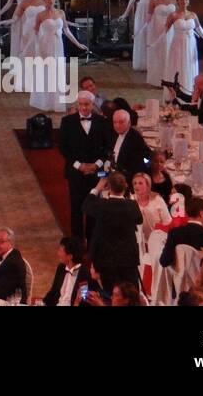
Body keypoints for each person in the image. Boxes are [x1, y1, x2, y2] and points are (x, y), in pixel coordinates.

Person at [59, 91, 111, 239]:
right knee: (76, 207)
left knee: (94, 206)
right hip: (75, 172)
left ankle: (91, 237)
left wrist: (96, 165)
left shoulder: (102, 122)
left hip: (97, 172)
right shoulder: (67, 121)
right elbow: (63, 147)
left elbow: (108, 146)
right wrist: (78, 165)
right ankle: (77, 239)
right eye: (80, 104)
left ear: (92, 104)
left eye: (86, 104)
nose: (83, 108)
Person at [80, 172, 143, 294]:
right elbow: (139, 219)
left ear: (108, 187)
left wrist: (97, 188)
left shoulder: (102, 205)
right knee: (129, 294)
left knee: (110, 294)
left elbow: (85, 206)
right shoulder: (131, 205)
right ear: (125, 186)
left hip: (106, 260)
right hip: (128, 259)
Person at [158, 196, 203, 268]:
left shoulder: (174, 233)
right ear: (201, 213)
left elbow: (164, 261)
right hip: (201, 278)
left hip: (179, 278)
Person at [40, 237, 90, 306]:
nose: (58, 253)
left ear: (70, 256)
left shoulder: (84, 274)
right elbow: (53, 291)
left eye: (60, 251)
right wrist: (42, 303)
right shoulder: (61, 268)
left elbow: (84, 299)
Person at [106, 107, 150, 178]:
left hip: (124, 176)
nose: (117, 126)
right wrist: (106, 170)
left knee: (99, 179)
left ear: (129, 123)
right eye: (115, 122)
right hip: (111, 170)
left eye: (121, 122)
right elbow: (109, 154)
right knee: (97, 175)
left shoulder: (135, 138)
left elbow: (144, 161)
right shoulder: (113, 134)